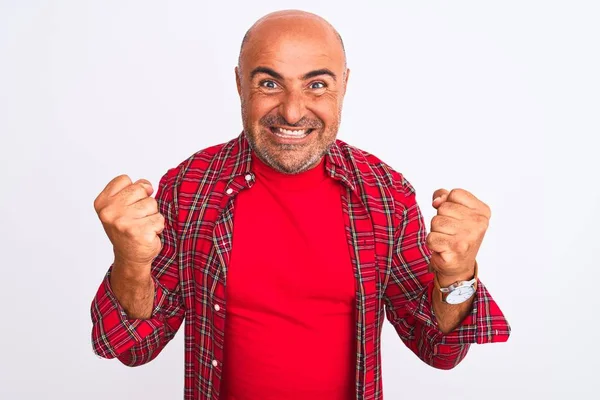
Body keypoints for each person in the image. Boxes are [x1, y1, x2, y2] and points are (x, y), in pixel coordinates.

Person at [90, 9, 510, 400]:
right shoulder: (191, 187)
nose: (292, 112)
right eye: (269, 83)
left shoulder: (384, 193)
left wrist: (458, 275)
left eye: (317, 85)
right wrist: (131, 262)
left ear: (343, 84)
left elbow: (438, 348)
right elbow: (132, 346)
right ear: (240, 84)